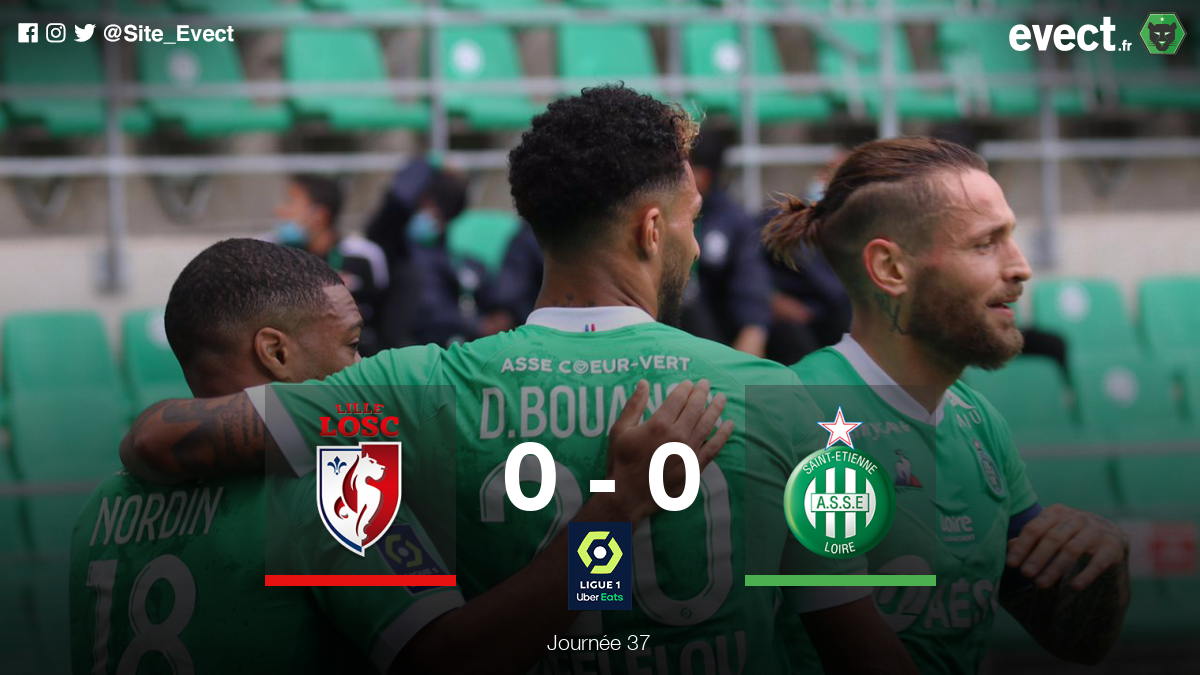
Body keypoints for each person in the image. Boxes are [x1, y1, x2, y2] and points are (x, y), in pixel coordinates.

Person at [120, 86, 918, 674]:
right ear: (651, 228)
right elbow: (858, 650)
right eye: (690, 219)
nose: (691, 240)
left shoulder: (410, 387)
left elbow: (159, 437)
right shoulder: (776, 395)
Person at [74, 238, 722, 674]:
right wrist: (616, 511)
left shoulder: (103, 506)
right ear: (275, 352)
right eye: (352, 343)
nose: (365, 364)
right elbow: (457, 662)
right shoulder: (334, 482)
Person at [762, 136, 1131, 673]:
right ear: (891, 269)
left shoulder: (980, 421)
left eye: (1011, 237)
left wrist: (1106, 560)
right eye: (985, 244)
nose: (1021, 267)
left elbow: (1073, 641)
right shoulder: (806, 414)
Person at [680, 127, 773, 356]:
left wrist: (752, 334)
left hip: (718, 343)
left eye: (679, 165)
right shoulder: (659, 216)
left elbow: (751, 291)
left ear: (702, 176)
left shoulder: (734, 221)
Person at [273, 174, 390, 355]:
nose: (280, 210)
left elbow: (381, 315)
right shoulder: (275, 258)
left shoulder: (362, 256)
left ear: (319, 215)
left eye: (291, 202)